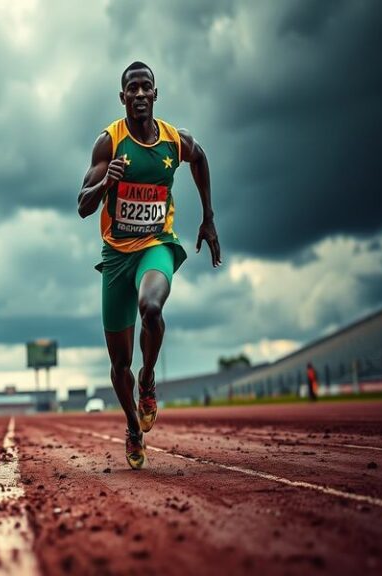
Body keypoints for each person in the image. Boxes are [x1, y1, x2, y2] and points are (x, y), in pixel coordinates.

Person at [78, 62, 221, 469]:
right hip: (115, 258)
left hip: (156, 245)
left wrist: (208, 217)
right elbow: (82, 206)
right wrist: (106, 183)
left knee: (152, 308)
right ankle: (132, 426)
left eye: (146, 88)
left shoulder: (174, 141)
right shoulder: (109, 143)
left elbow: (201, 156)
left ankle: (149, 378)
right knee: (118, 364)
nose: (139, 95)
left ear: (155, 94)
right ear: (122, 97)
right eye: (132, 89)